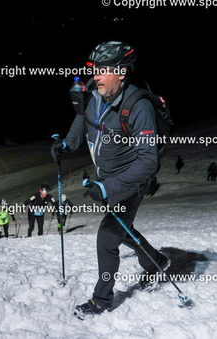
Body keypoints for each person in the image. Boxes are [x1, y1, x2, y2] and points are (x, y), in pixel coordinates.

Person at [51, 41, 170, 317]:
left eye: (103, 70)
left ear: (122, 72)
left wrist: (107, 188)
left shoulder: (138, 107)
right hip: (106, 179)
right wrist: (67, 145)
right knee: (121, 228)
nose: (96, 76)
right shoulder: (95, 92)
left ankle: (101, 301)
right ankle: (157, 262)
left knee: (107, 235)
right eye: (95, 69)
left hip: (130, 182)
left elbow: (148, 161)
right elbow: (84, 118)